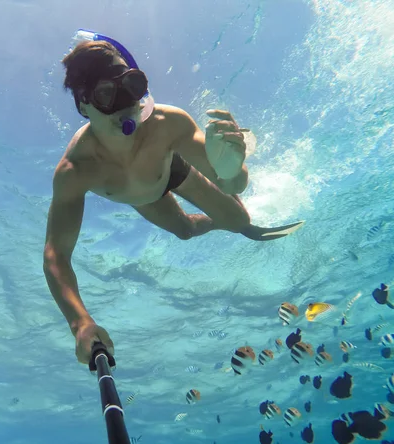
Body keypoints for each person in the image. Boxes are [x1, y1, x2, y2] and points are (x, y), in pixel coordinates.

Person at [43, 30, 303, 365]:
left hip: (173, 171)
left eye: (132, 87)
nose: (126, 105)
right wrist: (80, 322)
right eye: (108, 94)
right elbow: (56, 256)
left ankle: (236, 220)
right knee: (184, 230)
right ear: (84, 105)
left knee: (240, 221)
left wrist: (232, 170)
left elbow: (233, 181)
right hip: (142, 197)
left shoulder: (168, 123)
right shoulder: (75, 170)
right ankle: (221, 219)